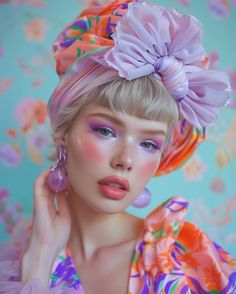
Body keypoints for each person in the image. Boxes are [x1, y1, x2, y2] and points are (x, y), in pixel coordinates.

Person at [0, 0, 235, 293]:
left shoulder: (192, 267)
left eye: (149, 143)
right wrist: (40, 258)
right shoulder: (18, 263)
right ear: (63, 131)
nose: (125, 160)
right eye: (106, 131)